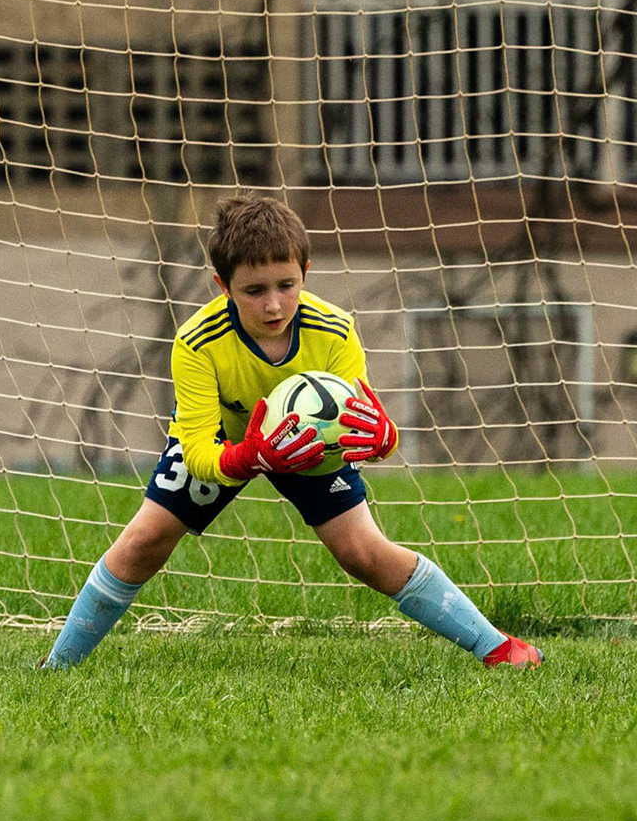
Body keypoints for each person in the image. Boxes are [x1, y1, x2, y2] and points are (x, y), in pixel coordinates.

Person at [40, 194, 542, 670]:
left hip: (310, 451)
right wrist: (247, 457)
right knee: (145, 540)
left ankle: (497, 646)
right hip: (231, 446)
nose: (274, 305)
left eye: (286, 285)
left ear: (305, 272)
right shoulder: (195, 342)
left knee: (363, 553)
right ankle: (57, 666)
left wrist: (383, 439)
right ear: (223, 286)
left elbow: (360, 418)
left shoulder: (335, 330)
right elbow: (195, 449)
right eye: (254, 291)